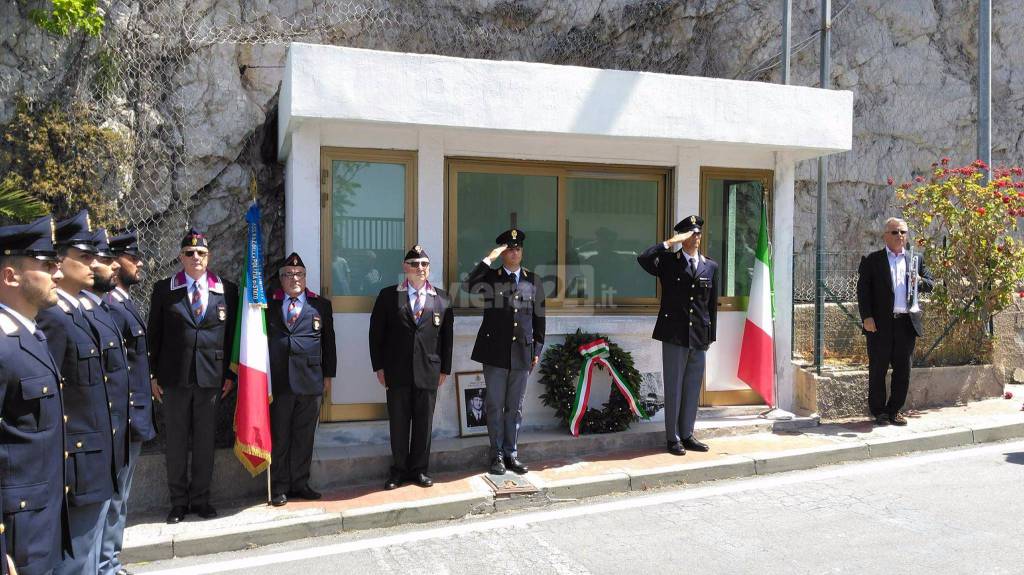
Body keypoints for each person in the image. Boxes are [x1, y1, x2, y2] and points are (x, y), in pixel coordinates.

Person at [37, 211, 116, 575]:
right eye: (83, 257)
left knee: (91, 552)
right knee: (76, 562)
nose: (94, 264)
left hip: (96, 455)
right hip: (77, 461)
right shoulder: (54, 319)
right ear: (60, 262)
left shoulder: (77, 312)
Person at [148, 229, 238, 524]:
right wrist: (153, 375)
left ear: (209, 257)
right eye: (189, 253)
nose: (195, 257)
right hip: (174, 378)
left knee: (204, 442)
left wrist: (229, 374)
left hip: (211, 379)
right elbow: (154, 335)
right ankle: (178, 502)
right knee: (175, 441)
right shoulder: (164, 289)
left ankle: (201, 500)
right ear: (181, 257)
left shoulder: (226, 290)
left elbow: (231, 339)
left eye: (201, 253)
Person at [0, 215, 67, 575]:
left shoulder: (31, 336)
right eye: (46, 265)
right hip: (17, 540)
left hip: (42, 527)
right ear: (10, 276)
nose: (58, 274)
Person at [369, 246, 454, 490]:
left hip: (429, 370)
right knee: (398, 422)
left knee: (423, 423)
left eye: (424, 264)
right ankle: (398, 470)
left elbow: (446, 338)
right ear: (405, 268)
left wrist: (444, 369)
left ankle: (419, 469)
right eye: (415, 264)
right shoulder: (388, 296)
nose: (420, 268)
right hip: (397, 370)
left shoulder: (443, 298)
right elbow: (376, 335)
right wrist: (379, 367)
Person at [464, 229, 545, 475]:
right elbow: (468, 285)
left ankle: (511, 453)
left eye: (518, 248)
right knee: (494, 405)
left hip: (522, 353)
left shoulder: (534, 280)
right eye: (509, 249)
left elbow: (540, 319)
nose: (514, 252)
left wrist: (537, 349)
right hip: (495, 353)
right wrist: (489, 258)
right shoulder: (490, 277)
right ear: (502, 252)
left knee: (515, 407)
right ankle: (496, 454)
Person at [637, 215, 717, 456]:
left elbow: (711, 305)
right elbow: (643, 258)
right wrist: (668, 243)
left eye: (698, 233)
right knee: (674, 386)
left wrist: (710, 335)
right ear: (682, 237)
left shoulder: (710, 266)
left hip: (698, 335)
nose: (695, 237)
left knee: (692, 386)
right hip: (674, 333)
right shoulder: (670, 262)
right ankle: (672, 438)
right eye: (690, 234)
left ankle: (687, 434)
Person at [76, 230, 131, 575]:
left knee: (113, 506)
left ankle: (107, 565)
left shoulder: (102, 309)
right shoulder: (68, 317)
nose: (112, 266)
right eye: (96, 259)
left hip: (113, 425)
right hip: (88, 437)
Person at [101, 230, 156, 575]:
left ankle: (111, 560)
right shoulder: (109, 305)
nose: (139, 264)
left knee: (122, 495)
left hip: (134, 413)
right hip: (122, 416)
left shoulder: (123, 301)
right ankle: (105, 563)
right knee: (115, 497)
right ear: (115, 262)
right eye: (132, 258)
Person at [266, 253, 337, 506]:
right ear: (281, 279)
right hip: (280, 381)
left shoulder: (321, 305)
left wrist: (328, 375)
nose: (294, 279)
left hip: (310, 380)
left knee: (305, 436)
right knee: (281, 435)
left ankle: (300, 482)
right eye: (289, 274)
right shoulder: (268, 305)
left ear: (305, 278)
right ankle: (280, 486)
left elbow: (329, 343)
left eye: (299, 275)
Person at [856, 217, 933, 426]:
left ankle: (895, 410)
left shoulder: (915, 259)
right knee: (878, 368)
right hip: (880, 324)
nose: (900, 236)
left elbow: (931, 283)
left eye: (903, 232)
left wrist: (919, 281)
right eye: (895, 232)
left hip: (906, 324)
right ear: (885, 236)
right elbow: (862, 292)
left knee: (903, 370)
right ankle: (879, 411)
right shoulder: (873, 260)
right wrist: (867, 317)